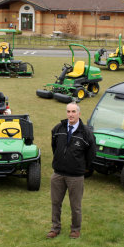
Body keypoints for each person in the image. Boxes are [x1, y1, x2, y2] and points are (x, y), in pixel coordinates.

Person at [47, 102, 96, 239]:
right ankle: (55, 228)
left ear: (79, 113)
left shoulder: (86, 133)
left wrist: (81, 168)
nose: (70, 114)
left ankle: (75, 230)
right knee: (56, 203)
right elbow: (54, 147)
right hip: (58, 174)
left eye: (73, 111)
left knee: (75, 206)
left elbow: (91, 155)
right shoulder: (58, 129)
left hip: (76, 176)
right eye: (68, 111)